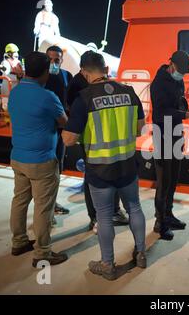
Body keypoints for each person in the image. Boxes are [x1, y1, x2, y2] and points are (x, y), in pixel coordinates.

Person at [62, 52, 147, 280]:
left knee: (104, 216)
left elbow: (69, 139)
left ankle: (107, 264)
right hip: (127, 164)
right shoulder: (129, 93)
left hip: (100, 170)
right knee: (135, 208)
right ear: (106, 67)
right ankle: (140, 254)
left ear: (84, 72)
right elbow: (140, 128)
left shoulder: (84, 99)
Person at [8, 51, 68, 267]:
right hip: (42, 161)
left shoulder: (15, 92)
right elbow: (63, 121)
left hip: (18, 157)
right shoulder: (48, 97)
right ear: (44, 72)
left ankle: (19, 242)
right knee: (43, 207)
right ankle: (42, 253)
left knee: (20, 200)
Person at [66, 51, 129, 233]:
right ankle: (94, 217)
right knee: (92, 178)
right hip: (92, 140)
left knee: (113, 173)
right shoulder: (78, 85)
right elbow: (72, 110)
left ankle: (114, 211)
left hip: (111, 138)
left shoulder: (107, 83)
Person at [150, 50, 189, 240]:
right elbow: (160, 113)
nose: (182, 74)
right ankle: (160, 223)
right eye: (181, 70)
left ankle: (168, 215)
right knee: (164, 181)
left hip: (176, 133)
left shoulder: (178, 80)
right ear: (172, 64)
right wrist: (185, 115)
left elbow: (179, 104)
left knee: (174, 178)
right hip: (162, 134)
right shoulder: (159, 83)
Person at [45, 45, 73, 216]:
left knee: (58, 166)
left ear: (62, 60)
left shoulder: (66, 76)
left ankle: (52, 202)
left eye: (57, 60)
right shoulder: (41, 76)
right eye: (50, 59)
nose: (53, 63)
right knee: (45, 169)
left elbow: (71, 99)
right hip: (45, 129)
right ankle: (46, 205)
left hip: (61, 129)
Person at [0, 43, 23, 111]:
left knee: (17, 105)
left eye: (16, 52)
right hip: (7, 86)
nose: (16, 54)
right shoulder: (5, 62)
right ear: (9, 53)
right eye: (14, 52)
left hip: (17, 86)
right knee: (6, 106)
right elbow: (5, 72)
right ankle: (6, 118)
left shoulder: (18, 62)